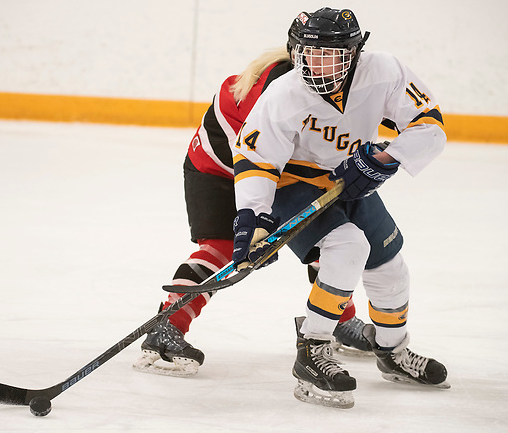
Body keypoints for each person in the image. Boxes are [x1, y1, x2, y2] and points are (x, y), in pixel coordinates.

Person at [230, 7, 449, 408]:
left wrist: (384, 161)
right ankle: (312, 350)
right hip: (292, 184)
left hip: (348, 179)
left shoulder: (384, 72)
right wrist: (252, 219)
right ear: (296, 51)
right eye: (312, 54)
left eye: (333, 55)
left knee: (391, 269)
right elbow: (256, 158)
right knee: (348, 249)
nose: (320, 64)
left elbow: (429, 125)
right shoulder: (283, 94)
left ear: (355, 54)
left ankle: (392, 352)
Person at [133, 45, 376, 377]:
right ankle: (166, 327)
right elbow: (260, 156)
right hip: (216, 169)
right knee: (221, 246)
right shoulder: (281, 85)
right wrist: (260, 223)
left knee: (324, 237)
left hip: (261, 168)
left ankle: (338, 320)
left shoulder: (305, 77)